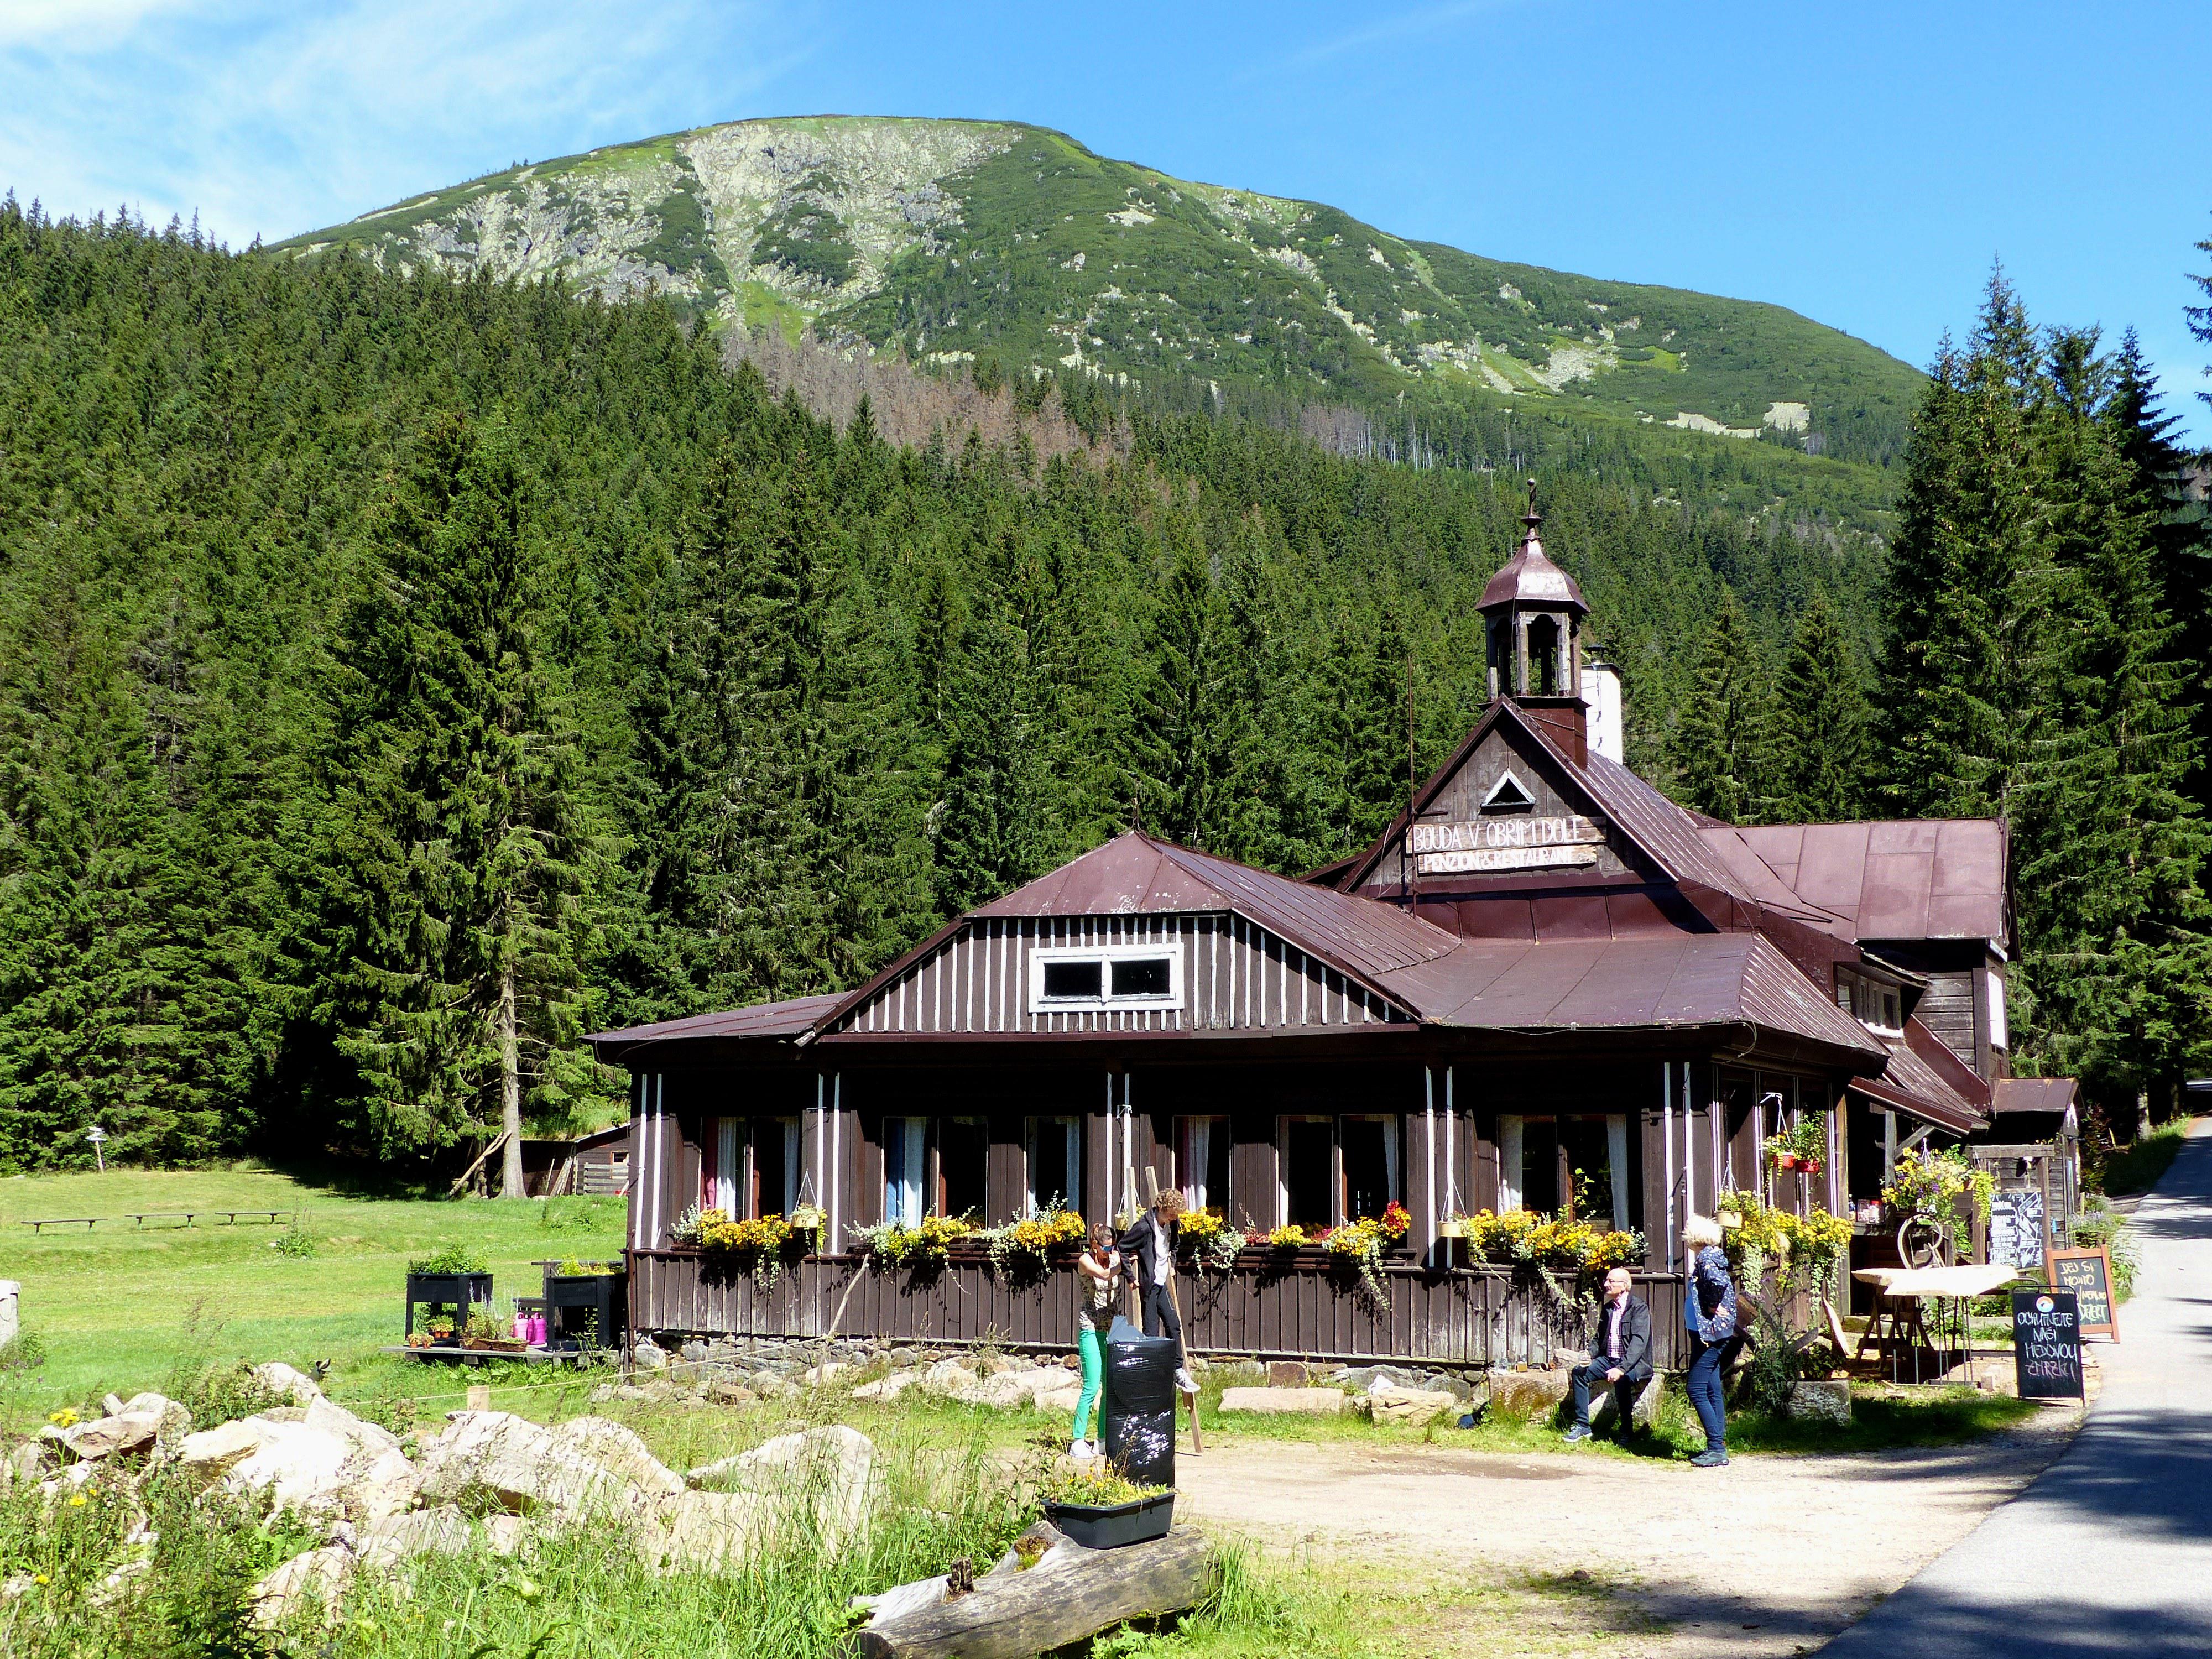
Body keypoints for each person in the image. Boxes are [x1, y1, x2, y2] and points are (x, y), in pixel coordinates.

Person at [1119, 1188, 1199, 1396]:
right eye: (1172, 1213)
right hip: (1149, 1284)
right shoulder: (1144, 1227)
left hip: (1163, 1282)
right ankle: (1153, 1375)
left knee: (1174, 1324)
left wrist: (1171, 1262)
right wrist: (1131, 1276)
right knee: (1152, 1331)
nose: (1174, 1218)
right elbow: (1122, 1247)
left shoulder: (1173, 1224)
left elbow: (1175, 1245)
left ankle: (1178, 1369)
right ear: (1162, 1209)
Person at [1563, 1266, 1651, 1442]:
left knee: (1622, 1380)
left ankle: (1627, 1432)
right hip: (1609, 1359)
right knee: (1579, 1373)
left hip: (1635, 1364)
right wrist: (1590, 1354)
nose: (1606, 1284)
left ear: (1625, 1285)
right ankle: (1583, 1426)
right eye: (1607, 1280)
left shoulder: (1639, 1308)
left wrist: (1621, 1369)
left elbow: (1639, 1343)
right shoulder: (1609, 1308)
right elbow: (1599, 1338)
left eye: (1611, 1281)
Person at [1681, 1213, 1740, 1468]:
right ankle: (1718, 1444)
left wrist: (1713, 1307)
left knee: (1695, 1388)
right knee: (1713, 1386)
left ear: (1695, 1238)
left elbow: (1716, 1284)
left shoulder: (1706, 1260)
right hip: (1708, 1334)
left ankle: (1716, 1448)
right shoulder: (1713, 1257)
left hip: (1711, 1335)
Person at [1070, 1220, 1119, 1459]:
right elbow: (1102, 1274)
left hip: (1111, 1330)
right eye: (1105, 1248)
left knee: (1109, 1386)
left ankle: (1102, 1439)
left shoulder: (1115, 1257)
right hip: (1090, 1328)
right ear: (1094, 1244)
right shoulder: (1085, 1261)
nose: (1109, 1252)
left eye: (1112, 1247)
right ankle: (1078, 1440)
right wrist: (1125, 1266)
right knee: (1092, 1385)